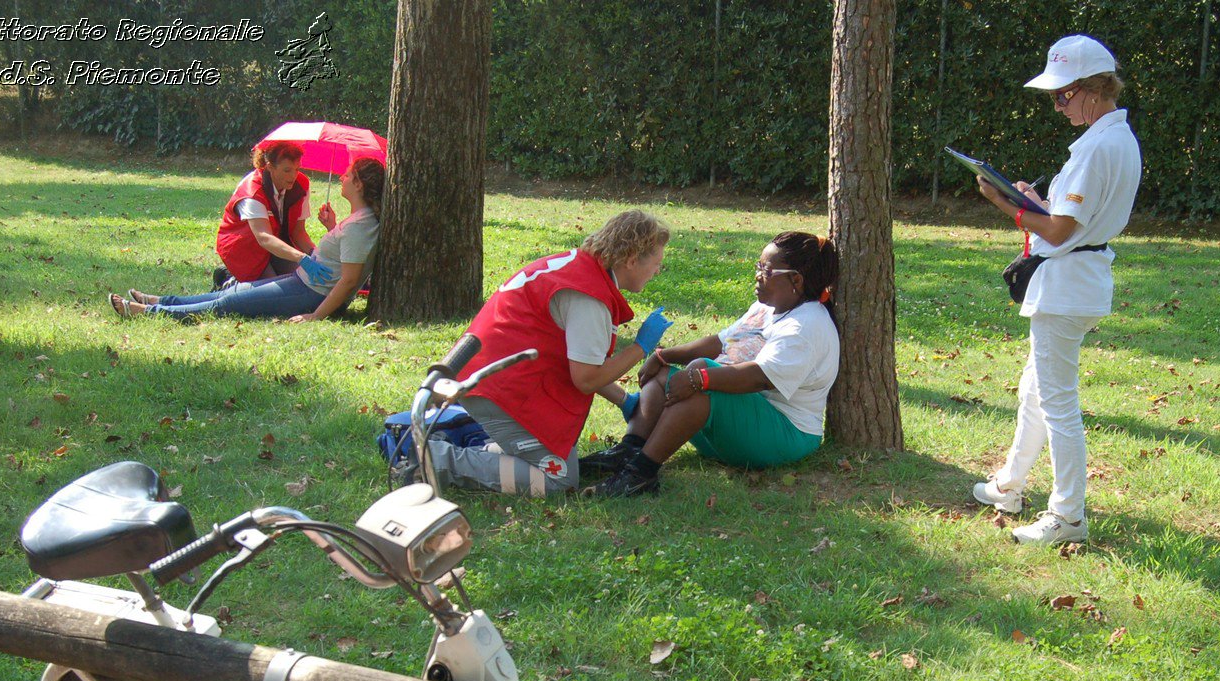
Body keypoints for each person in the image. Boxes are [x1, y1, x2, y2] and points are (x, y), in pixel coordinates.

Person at [969, 34, 1141, 546]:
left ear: (1093, 88)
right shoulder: (1112, 140)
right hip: (1073, 281)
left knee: (1058, 403)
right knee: (1035, 390)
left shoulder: (1098, 147)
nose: (1058, 105)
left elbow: (1062, 232)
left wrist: (1005, 203)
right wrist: (1036, 201)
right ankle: (1010, 484)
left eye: (1063, 94)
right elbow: (1069, 219)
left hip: (1067, 285)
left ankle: (1068, 515)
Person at [426, 209, 673, 497]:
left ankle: (456, 451)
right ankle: (436, 460)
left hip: (489, 376)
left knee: (552, 462)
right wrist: (639, 348)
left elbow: (579, 359)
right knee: (558, 480)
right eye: (657, 263)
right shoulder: (589, 296)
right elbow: (586, 378)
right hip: (498, 388)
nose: (657, 271)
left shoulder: (581, 268)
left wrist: (623, 400)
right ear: (632, 260)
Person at [581, 231, 839, 498]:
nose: (757, 275)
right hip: (741, 427)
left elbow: (761, 377)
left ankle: (639, 475)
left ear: (795, 279)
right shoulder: (767, 307)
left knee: (701, 375)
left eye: (766, 270)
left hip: (786, 434)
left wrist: (700, 378)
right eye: (758, 266)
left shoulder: (806, 325)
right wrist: (663, 356)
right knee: (664, 376)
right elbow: (719, 342)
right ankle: (630, 449)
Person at [108, 158, 383, 324]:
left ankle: (149, 311)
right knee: (233, 292)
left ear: (358, 185)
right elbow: (343, 256)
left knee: (229, 305)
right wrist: (332, 227)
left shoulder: (361, 225)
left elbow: (348, 280)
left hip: (312, 293)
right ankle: (163, 300)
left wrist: (316, 316)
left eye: (348, 175)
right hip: (304, 282)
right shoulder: (357, 220)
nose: (342, 177)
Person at [212, 142, 326, 289]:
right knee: (272, 292)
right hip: (244, 248)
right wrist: (301, 258)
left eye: (297, 169)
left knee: (301, 282)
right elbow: (264, 237)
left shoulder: (301, 185)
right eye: (287, 170)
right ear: (270, 167)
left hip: (277, 244)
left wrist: (315, 255)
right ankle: (227, 281)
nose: (293, 176)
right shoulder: (252, 190)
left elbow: (299, 232)